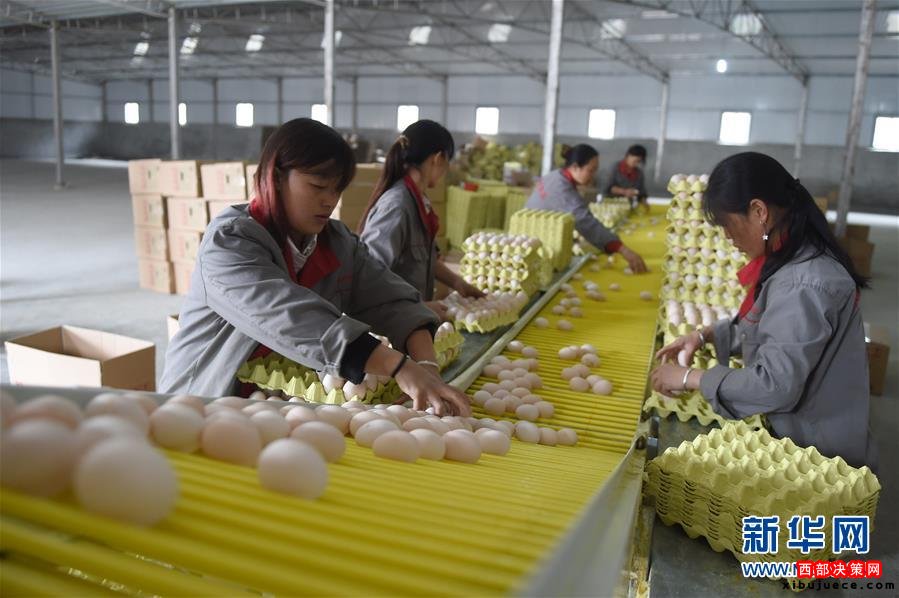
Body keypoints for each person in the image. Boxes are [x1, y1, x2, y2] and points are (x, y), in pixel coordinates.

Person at [161, 118, 470, 416]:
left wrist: (427, 367)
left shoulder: (336, 243)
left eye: (337, 189)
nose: (329, 201)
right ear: (276, 177)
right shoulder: (230, 242)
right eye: (318, 186)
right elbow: (289, 315)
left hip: (270, 410)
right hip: (202, 407)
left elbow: (393, 300)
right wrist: (398, 367)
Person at [650, 152, 876, 469]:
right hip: (806, 432)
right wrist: (703, 336)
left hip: (818, 451)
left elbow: (774, 385)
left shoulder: (803, 283)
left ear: (759, 211)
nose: (727, 237)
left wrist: (690, 377)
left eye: (728, 224)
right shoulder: (795, 257)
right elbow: (774, 330)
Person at [359, 120, 483, 321]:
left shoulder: (418, 202)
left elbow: (424, 258)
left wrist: (457, 283)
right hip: (389, 327)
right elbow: (368, 281)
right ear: (438, 158)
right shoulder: (397, 207)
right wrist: (419, 308)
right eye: (447, 164)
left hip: (411, 322)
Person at [525, 144, 647, 273]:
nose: (593, 176)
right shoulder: (562, 189)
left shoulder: (555, 175)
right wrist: (622, 249)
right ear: (575, 167)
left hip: (532, 235)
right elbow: (586, 222)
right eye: (591, 170)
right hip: (533, 245)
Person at [605, 144, 649, 211]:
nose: (636, 164)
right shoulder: (614, 168)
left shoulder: (639, 173)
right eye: (635, 161)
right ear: (628, 156)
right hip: (611, 208)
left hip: (628, 208)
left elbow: (641, 191)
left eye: (639, 162)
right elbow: (607, 188)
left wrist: (644, 201)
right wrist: (624, 192)